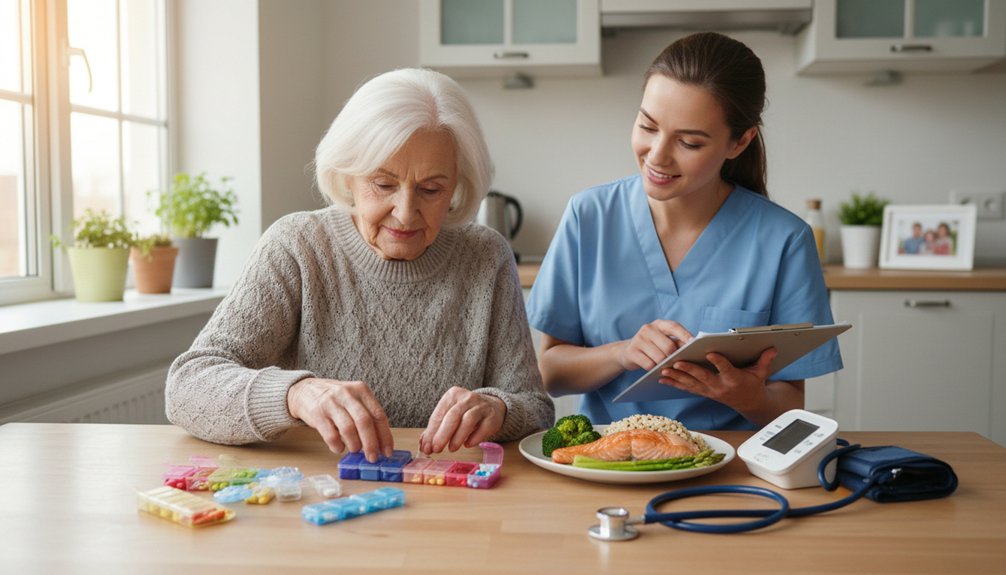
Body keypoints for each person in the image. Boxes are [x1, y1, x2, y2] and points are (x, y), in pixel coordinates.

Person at [166, 68, 553, 461]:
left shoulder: (486, 256)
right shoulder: (297, 246)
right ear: (347, 175)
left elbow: (536, 408)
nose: (405, 213)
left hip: (447, 497)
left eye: (431, 189)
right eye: (383, 184)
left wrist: (498, 409)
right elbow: (187, 387)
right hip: (318, 497)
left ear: (457, 184)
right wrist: (295, 393)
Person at [526, 32, 842, 431]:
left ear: (739, 141)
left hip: (728, 467)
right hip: (605, 461)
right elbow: (550, 373)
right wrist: (622, 353)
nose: (657, 155)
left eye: (689, 142)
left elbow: (792, 406)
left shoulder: (785, 241)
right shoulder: (589, 216)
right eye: (647, 126)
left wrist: (747, 395)